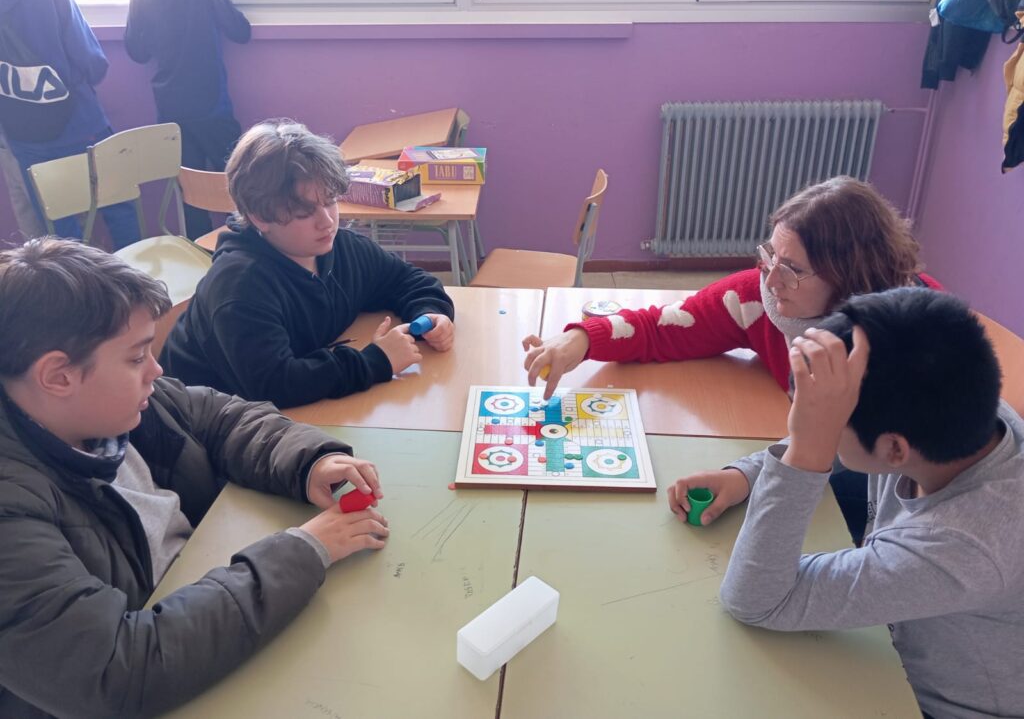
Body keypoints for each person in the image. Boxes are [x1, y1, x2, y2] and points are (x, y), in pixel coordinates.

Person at [0, 238, 390, 718]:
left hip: (206, 609)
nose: (156, 369)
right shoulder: (11, 511)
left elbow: (220, 417)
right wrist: (304, 550)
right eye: (136, 357)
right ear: (58, 376)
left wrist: (308, 461)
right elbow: (118, 671)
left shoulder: (113, 404)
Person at [668, 287, 1024, 719]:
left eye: (825, 425)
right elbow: (851, 427)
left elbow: (755, 599)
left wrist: (806, 450)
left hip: (935, 705)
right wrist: (747, 473)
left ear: (895, 450)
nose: (804, 427)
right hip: (896, 644)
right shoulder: (965, 411)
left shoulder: (962, 548)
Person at [523, 177, 941, 543]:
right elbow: (664, 326)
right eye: (770, 256)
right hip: (809, 456)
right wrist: (580, 339)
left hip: (888, 488)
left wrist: (746, 475)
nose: (770, 280)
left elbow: (835, 442)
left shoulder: (907, 337)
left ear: (849, 277)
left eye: (792, 269)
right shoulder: (759, 298)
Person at [161, 119, 456, 408]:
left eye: (330, 201)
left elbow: (406, 280)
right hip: (202, 421)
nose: (326, 221)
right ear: (259, 217)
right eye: (304, 212)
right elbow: (276, 384)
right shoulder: (239, 286)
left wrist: (429, 314)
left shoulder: (339, 246)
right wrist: (376, 361)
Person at [0, 0, 141, 248]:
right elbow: (92, 61)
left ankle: (78, 280)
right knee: (117, 204)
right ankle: (131, 273)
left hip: (22, 131)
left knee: (58, 226)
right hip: (79, 121)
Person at [125, 0, 251, 239]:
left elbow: (137, 51)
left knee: (190, 191)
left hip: (170, 107)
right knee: (238, 181)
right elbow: (240, 31)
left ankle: (198, 250)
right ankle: (245, 244)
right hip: (211, 104)